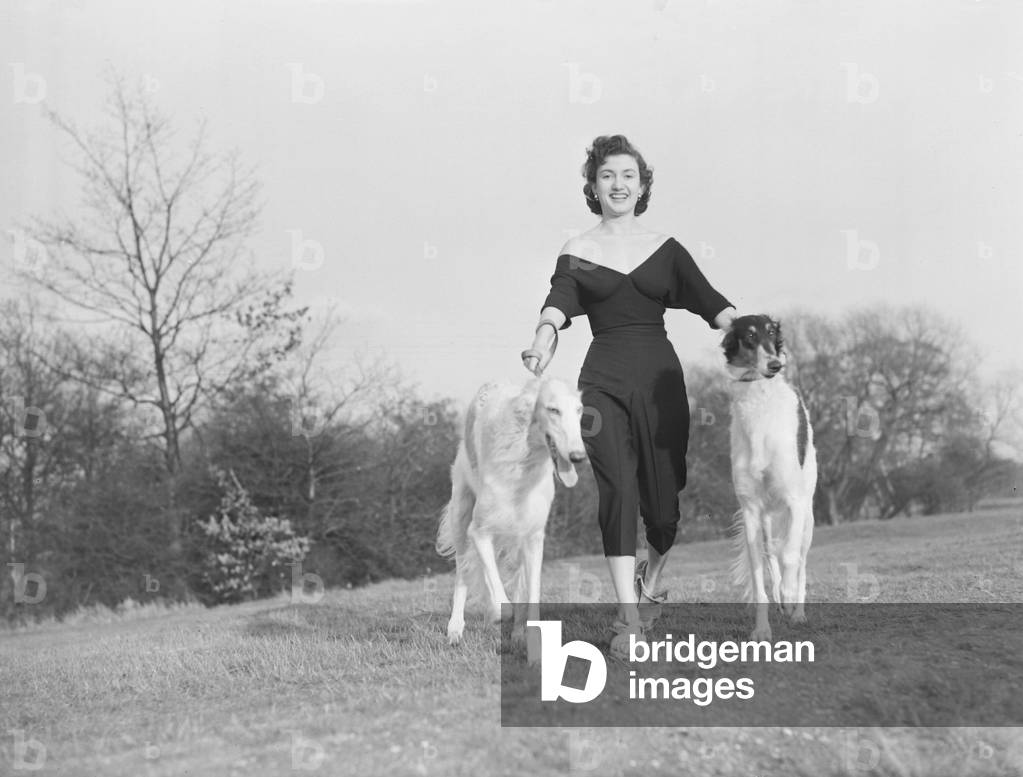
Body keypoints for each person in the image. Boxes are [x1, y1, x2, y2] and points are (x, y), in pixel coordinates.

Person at [522, 135, 738, 660]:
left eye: (627, 176)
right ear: (593, 187)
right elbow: (559, 301)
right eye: (606, 176)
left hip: (660, 380)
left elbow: (714, 305)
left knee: (663, 508)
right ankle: (629, 620)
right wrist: (542, 338)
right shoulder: (577, 249)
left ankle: (652, 579)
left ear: (642, 186)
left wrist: (756, 339)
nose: (617, 185)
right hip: (603, 380)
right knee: (618, 492)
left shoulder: (667, 249)